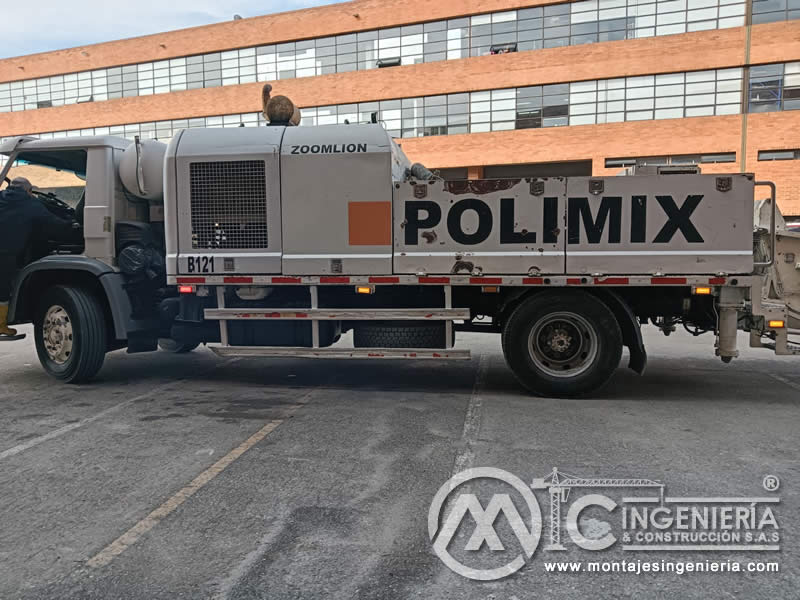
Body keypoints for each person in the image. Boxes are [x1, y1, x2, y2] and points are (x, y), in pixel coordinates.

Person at [0, 177, 77, 337]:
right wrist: (72, 226)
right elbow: (52, 223)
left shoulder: (1, 196)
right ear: (28, 190)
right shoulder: (31, 203)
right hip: (6, 252)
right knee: (4, 288)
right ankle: (1, 325)